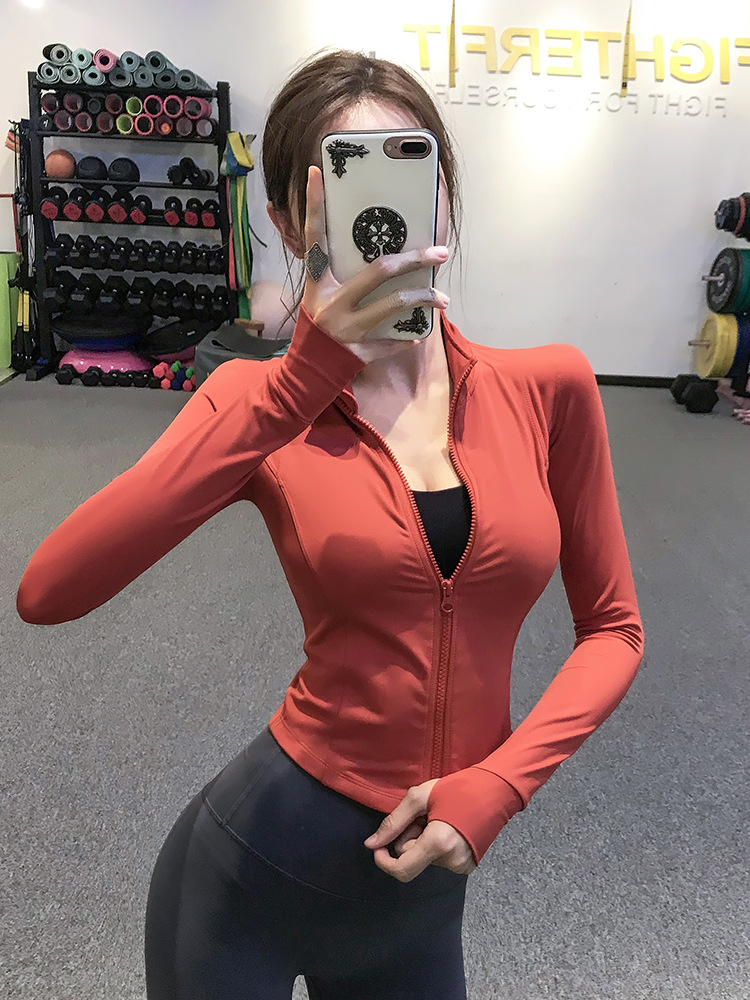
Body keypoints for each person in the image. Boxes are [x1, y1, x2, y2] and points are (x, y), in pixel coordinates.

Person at [16, 48, 645, 1000]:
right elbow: (49, 591)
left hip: (416, 909)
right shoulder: (257, 405)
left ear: (446, 193)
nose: (386, 216)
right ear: (287, 220)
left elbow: (615, 629)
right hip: (244, 885)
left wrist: (501, 782)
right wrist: (296, 386)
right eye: (346, 183)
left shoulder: (548, 388)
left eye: (413, 172)